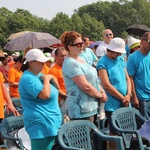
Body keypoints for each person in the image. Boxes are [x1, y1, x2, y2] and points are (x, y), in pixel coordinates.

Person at [19, 49, 62, 150]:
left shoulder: (38, 75)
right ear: (31, 63)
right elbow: (45, 95)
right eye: (41, 62)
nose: (44, 64)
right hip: (40, 124)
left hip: (49, 122)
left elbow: (57, 88)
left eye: (44, 62)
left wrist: (50, 77)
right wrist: (47, 79)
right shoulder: (28, 78)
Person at [60, 31, 107, 122]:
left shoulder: (80, 59)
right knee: (84, 136)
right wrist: (100, 96)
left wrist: (102, 92)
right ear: (69, 47)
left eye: (82, 43)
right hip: (80, 110)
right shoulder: (70, 63)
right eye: (78, 44)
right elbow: (85, 86)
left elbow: (93, 79)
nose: (81, 46)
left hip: (91, 107)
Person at [97, 37, 131, 149]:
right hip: (112, 104)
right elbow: (106, 85)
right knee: (114, 131)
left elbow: (127, 78)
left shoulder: (121, 60)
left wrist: (129, 94)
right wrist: (122, 98)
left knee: (126, 129)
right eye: (117, 52)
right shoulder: (102, 62)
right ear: (110, 50)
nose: (118, 54)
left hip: (125, 101)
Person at [127, 32, 150, 116]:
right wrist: (134, 97)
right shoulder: (133, 58)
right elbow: (130, 78)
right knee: (145, 126)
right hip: (142, 98)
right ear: (142, 41)